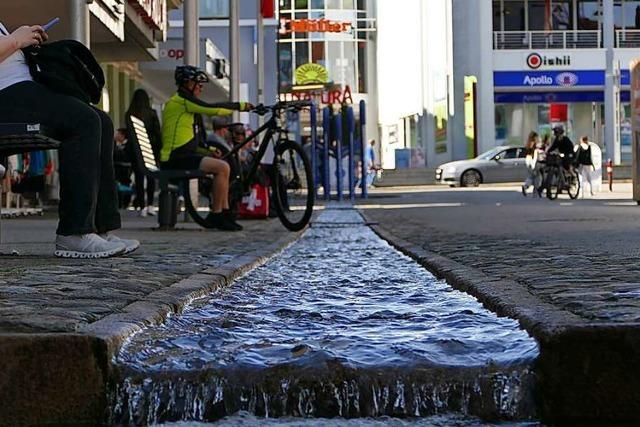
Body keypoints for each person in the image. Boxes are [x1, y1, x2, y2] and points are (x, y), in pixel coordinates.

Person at [0, 21, 138, 258]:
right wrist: (16, 40)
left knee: (100, 121)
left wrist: (26, 40)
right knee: (83, 120)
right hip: (7, 95)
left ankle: (99, 227)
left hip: (23, 89)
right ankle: (74, 232)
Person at [161, 65, 253, 231]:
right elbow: (213, 109)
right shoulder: (182, 101)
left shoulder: (183, 102)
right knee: (223, 167)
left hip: (181, 155)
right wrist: (241, 106)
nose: (201, 88)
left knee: (223, 166)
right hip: (174, 159)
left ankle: (224, 213)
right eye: (198, 84)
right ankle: (217, 214)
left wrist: (210, 151)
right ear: (188, 83)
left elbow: (189, 141)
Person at [125, 89, 162, 217]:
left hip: (136, 150)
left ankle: (142, 206)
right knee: (151, 177)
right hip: (150, 149)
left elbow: (130, 135)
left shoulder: (130, 114)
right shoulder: (152, 113)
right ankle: (151, 205)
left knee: (139, 178)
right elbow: (157, 133)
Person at [521, 131, 539, 196]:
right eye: (537, 137)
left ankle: (526, 186)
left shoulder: (528, 143)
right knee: (536, 176)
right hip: (532, 160)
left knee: (530, 176)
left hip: (527, 160)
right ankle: (535, 190)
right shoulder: (533, 144)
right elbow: (534, 154)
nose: (538, 138)